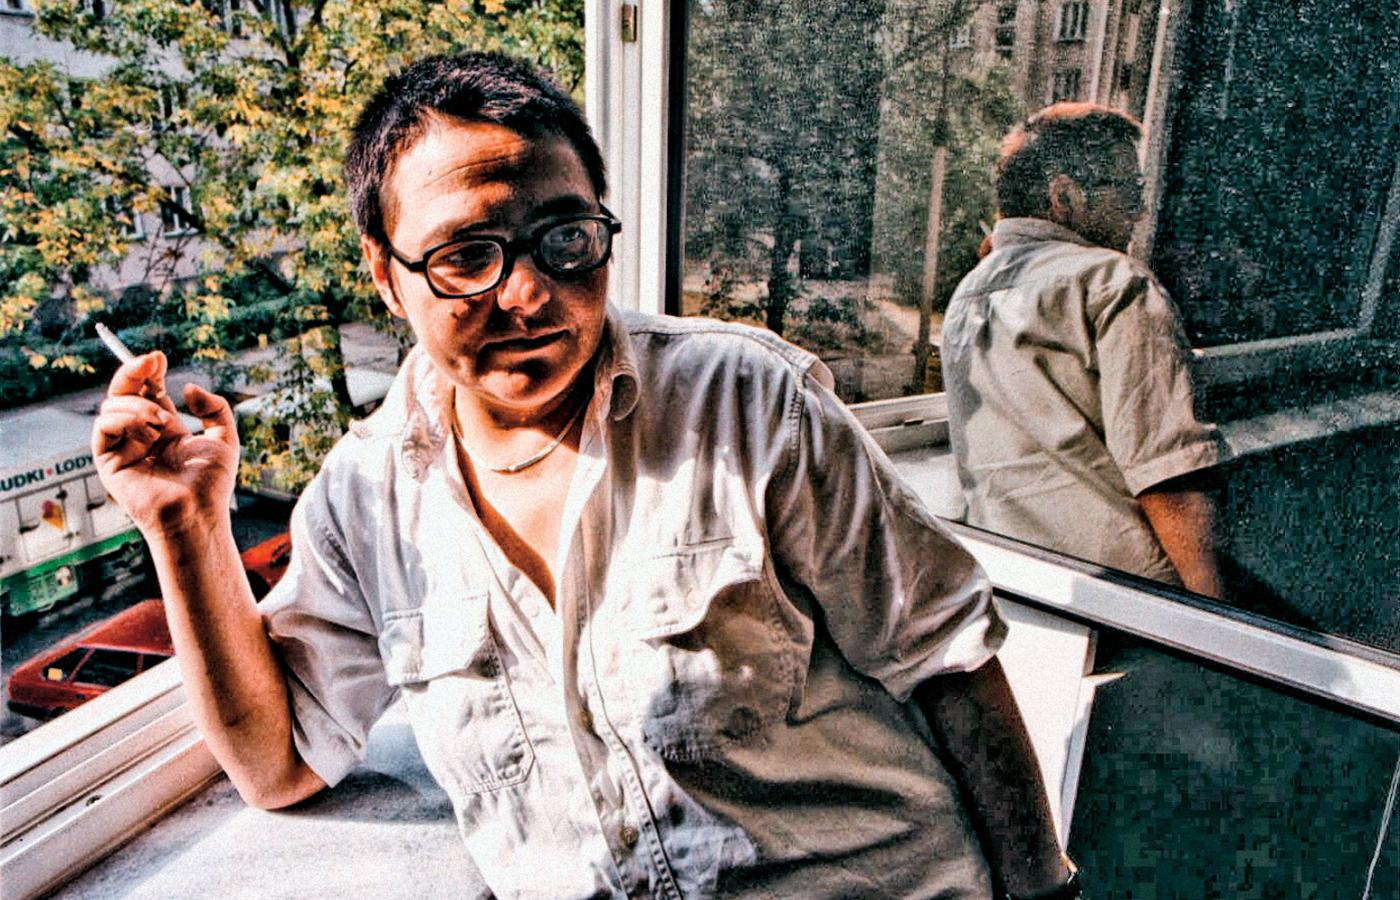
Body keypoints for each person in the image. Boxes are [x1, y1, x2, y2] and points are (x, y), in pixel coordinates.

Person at [93, 53, 1075, 899]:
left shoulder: (746, 404)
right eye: (467, 255)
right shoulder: (367, 500)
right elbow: (277, 763)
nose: (529, 294)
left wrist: (1043, 892)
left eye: (565, 239)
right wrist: (186, 525)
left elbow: (948, 662)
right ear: (386, 275)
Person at [942, 103, 1227, 597]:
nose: (1140, 212)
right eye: (1129, 191)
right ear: (1065, 197)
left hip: (1016, 580)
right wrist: (1218, 620)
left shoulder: (969, 293)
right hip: (1126, 595)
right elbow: (1170, 480)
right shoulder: (1114, 281)